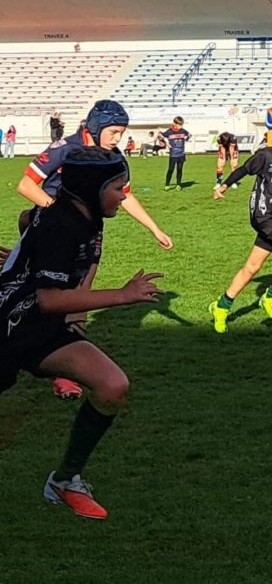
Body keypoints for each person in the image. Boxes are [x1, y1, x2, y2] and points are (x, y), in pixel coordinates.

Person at [1, 147, 164, 519]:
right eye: (118, 188)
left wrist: (21, 259)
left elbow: (28, 220)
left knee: (112, 385)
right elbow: (49, 299)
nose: (123, 196)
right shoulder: (62, 224)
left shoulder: (85, 216)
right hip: (9, 327)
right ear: (92, 189)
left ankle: (65, 480)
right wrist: (123, 295)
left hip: (40, 329)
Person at [16, 100, 173, 400]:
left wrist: (154, 228)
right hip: (51, 232)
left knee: (79, 297)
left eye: (122, 132)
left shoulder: (114, 158)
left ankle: (65, 372)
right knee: (41, 295)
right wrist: (61, 215)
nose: (117, 138)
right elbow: (26, 184)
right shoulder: (65, 148)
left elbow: (125, 196)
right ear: (96, 127)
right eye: (113, 131)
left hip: (88, 234)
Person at [209, 116, 272, 332]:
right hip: (263, 214)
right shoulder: (267, 155)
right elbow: (243, 170)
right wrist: (224, 186)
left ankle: (221, 306)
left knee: (252, 267)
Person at [162, 116, 190, 190]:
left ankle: (178, 184)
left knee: (179, 169)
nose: (180, 126)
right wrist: (167, 143)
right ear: (174, 123)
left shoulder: (183, 131)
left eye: (181, 125)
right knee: (171, 169)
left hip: (181, 154)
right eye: (179, 125)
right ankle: (167, 184)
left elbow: (188, 135)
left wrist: (187, 138)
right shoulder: (169, 131)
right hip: (173, 155)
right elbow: (162, 136)